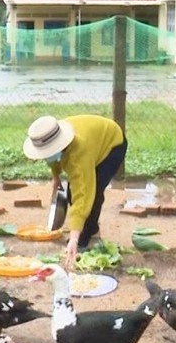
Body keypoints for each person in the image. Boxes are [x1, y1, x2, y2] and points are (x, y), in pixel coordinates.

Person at [23, 114, 127, 270]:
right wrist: (55, 177)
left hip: (112, 143)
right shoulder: (52, 137)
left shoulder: (78, 154)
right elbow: (52, 158)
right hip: (92, 141)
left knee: (93, 191)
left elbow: (82, 195)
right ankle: (91, 229)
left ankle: (85, 236)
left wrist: (73, 238)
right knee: (75, 191)